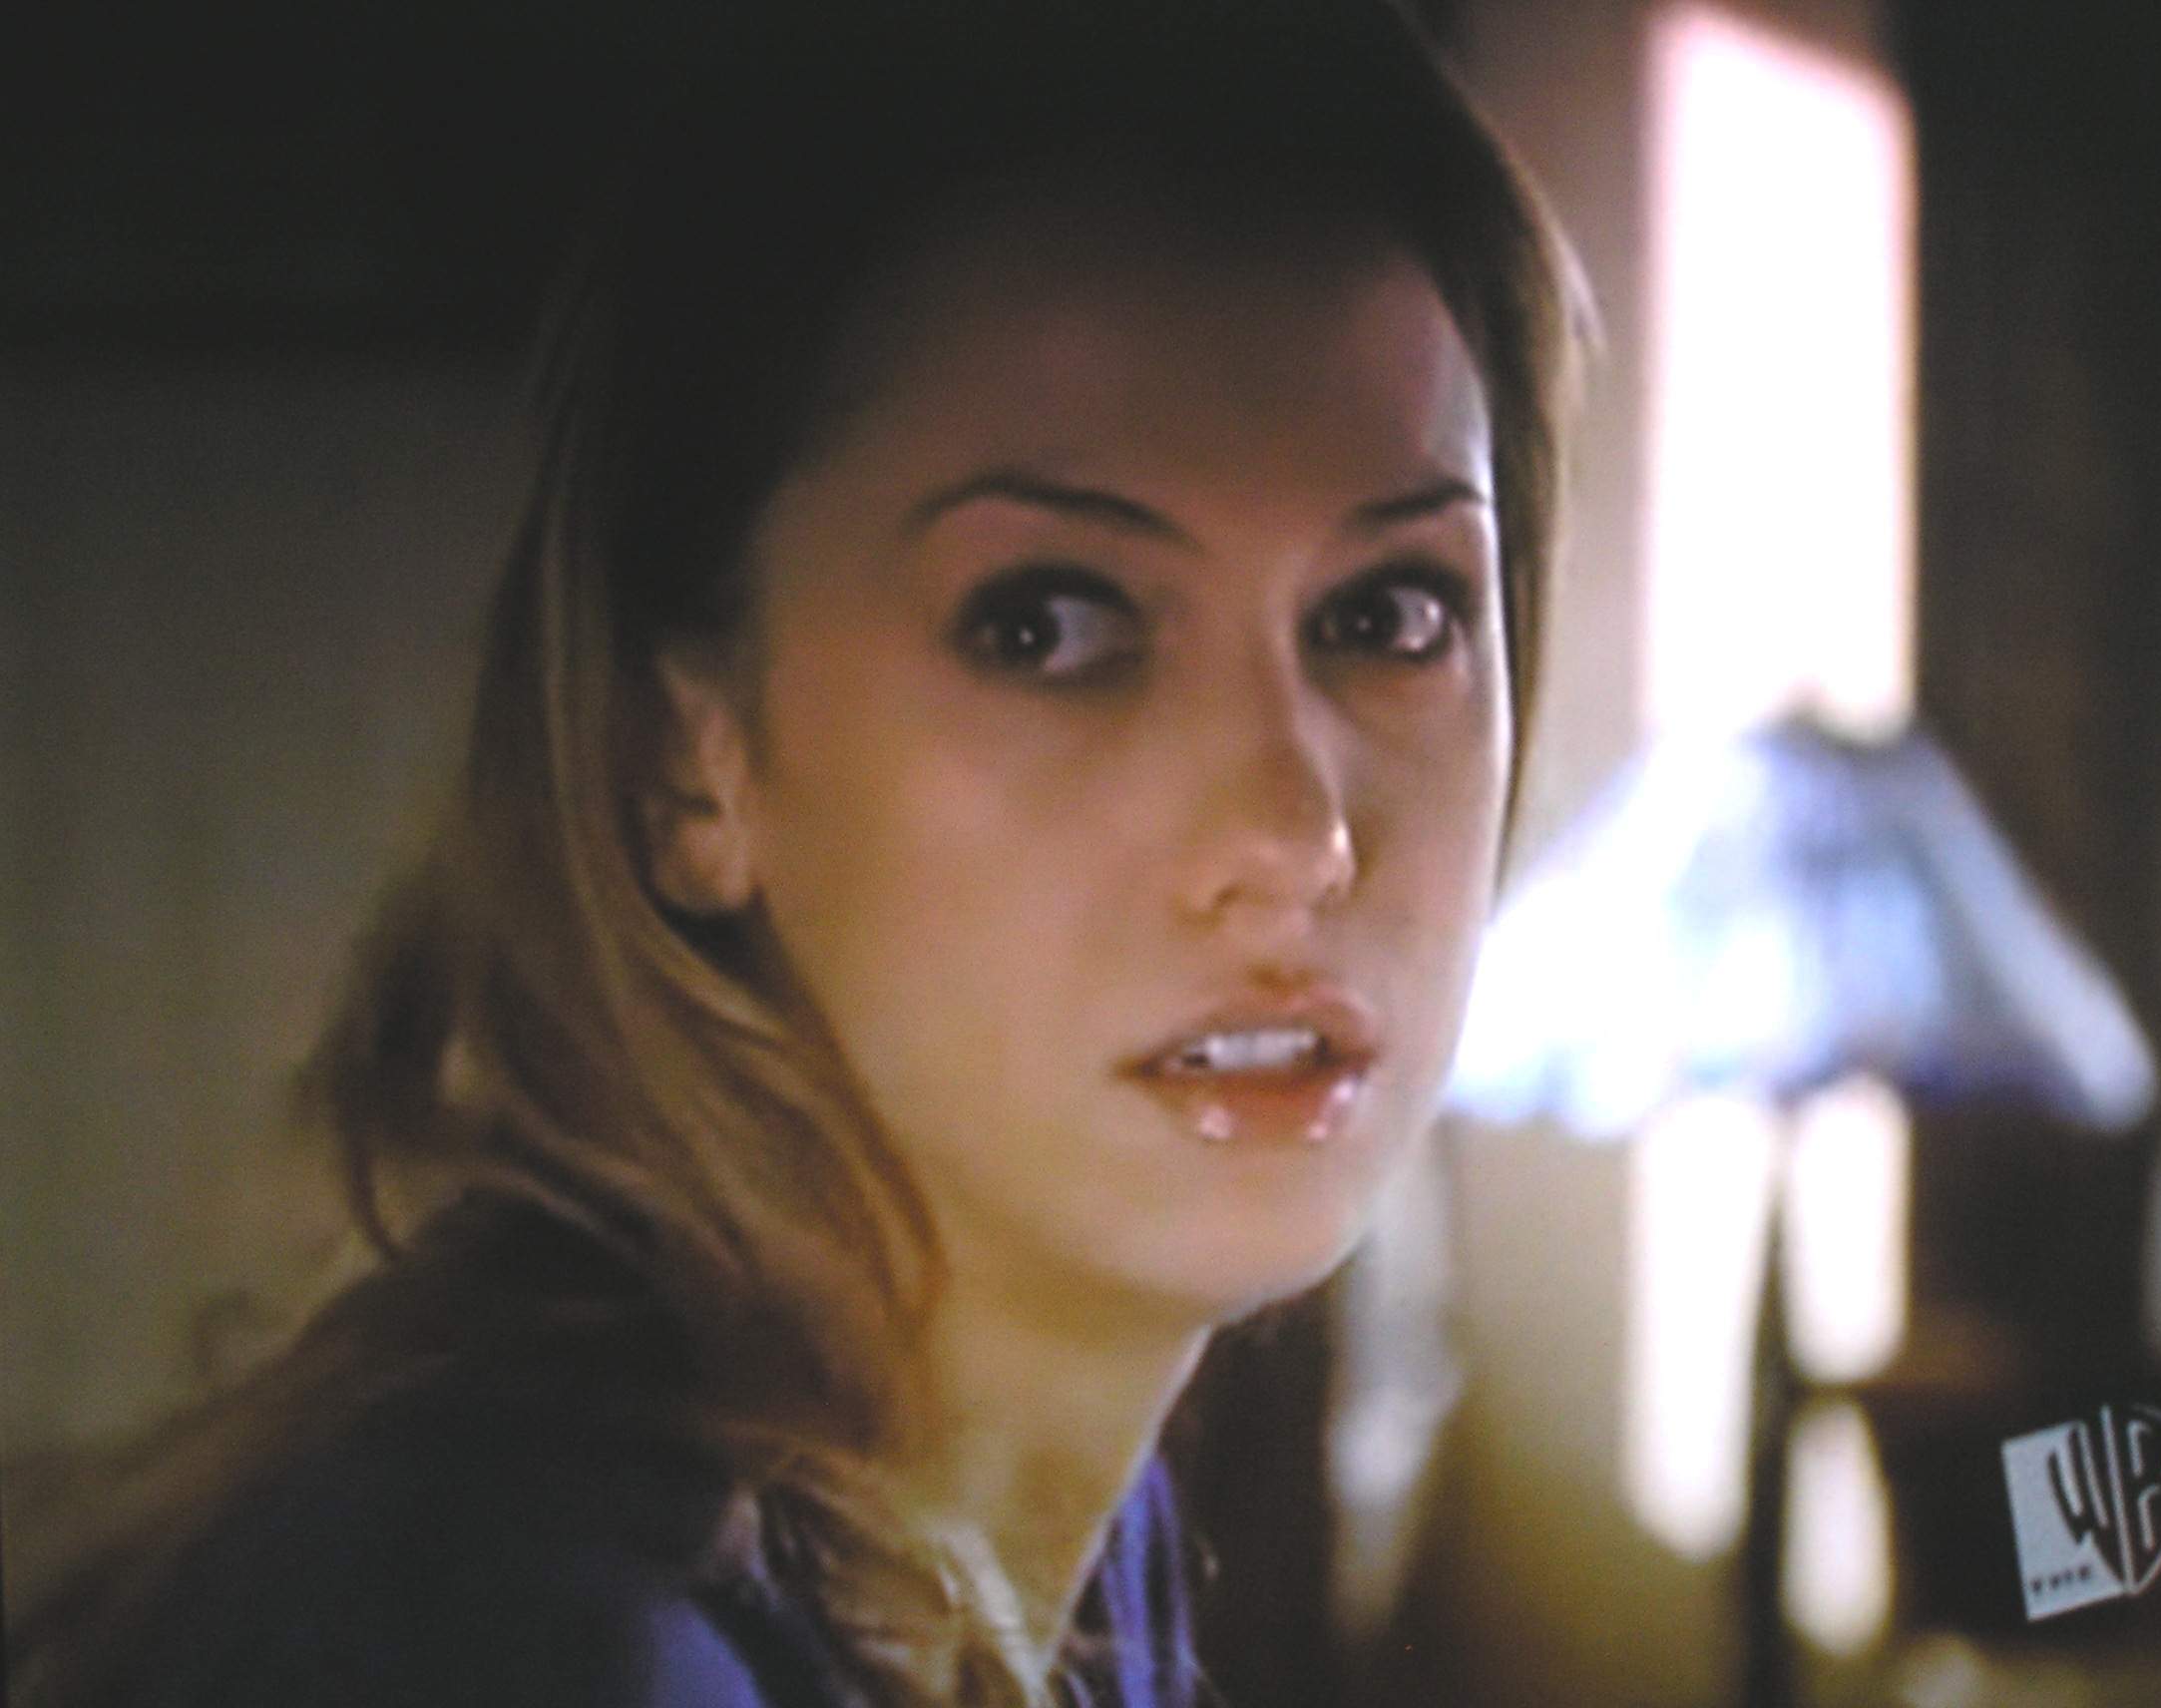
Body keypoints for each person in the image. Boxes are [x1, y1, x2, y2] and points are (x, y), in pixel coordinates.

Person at [5, 3, 1581, 1703]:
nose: (1296, 835)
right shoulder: (533, 1638)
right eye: (1050, 626)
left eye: (1388, 613)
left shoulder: (1029, 1513)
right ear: (686, 759)